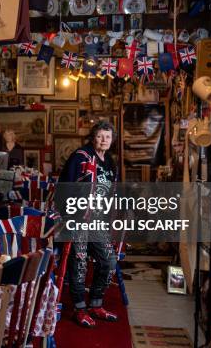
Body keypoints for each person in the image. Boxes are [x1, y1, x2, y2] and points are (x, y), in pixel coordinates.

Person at [59, 121, 119, 328]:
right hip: (79, 219)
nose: (104, 140)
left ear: (112, 140)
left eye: (108, 137)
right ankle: (79, 308)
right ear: (93, 137)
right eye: (100, 136)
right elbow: (64, 186)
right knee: (80, 264)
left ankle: (95, 304)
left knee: (108, 261)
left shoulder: (109, 160)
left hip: (99, 221)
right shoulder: (81, 157)